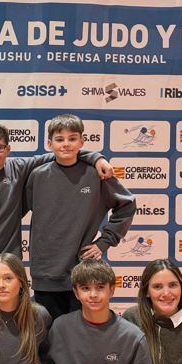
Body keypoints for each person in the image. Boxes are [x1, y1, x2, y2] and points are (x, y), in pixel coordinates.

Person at [0, 122, 111, 301]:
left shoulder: (18, 169)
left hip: (10, 270)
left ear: (8, 149)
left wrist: (97, 158)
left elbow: (63, 153)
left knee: (12, 319)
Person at [26, 114, 136, 320]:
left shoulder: (96, 174)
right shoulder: (37, 175)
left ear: (82, 141)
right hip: (45, 273)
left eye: (72, 138)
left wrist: (105, 241)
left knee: (81, 333)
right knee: (48, 334)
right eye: (60, 139)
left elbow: (127, 205)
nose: (66, 144)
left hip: (82, 273)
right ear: (49, 143)